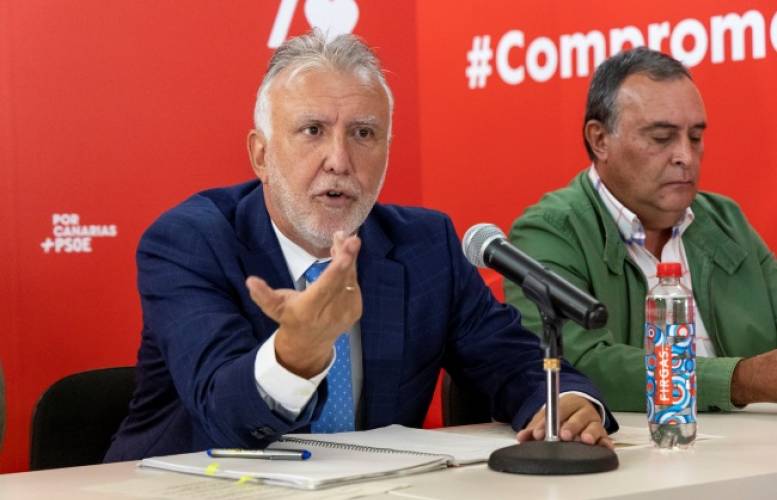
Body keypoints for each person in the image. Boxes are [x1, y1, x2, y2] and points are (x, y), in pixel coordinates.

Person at [105, 31, 616, 462]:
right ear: (261, 155)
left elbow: (508, 361)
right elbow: (224, 413)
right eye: (312, 130)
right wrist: (293, 356)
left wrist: (565, 402)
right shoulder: (191, 242)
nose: (339, 160)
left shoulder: (425, 246)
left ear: (387, 152)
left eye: (364, 133)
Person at [505, 47, 777, 412]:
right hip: (635, 442)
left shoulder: (725, 220)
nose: (685, 156)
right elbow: (578, 367)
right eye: (662, 138)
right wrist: (740, 380)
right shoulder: (549, 232)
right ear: (600, 140)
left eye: (695, 137)